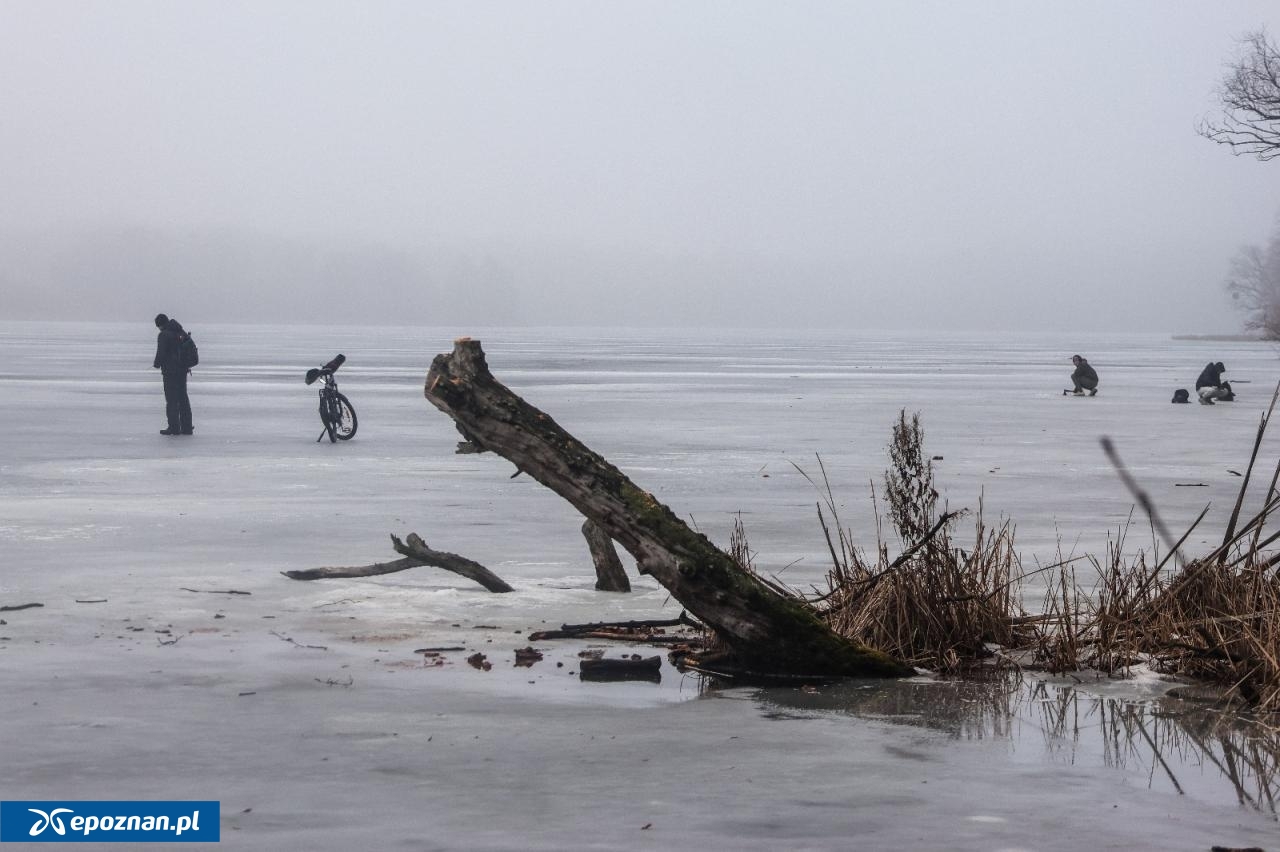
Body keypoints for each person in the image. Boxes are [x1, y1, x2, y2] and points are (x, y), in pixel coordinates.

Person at [153, 313, 193, 435]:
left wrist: (156, 364)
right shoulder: (180, 331)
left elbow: (161, 353)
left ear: (160, 325)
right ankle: (187, 427)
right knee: (183, 398)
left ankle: (174, 427)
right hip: (182, 370)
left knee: (171, 400)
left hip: (170, 372)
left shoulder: (164, 335)